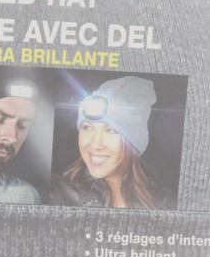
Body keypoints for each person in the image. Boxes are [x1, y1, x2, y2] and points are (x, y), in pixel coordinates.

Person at [50, 76, 161, 208]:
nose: (95, 144)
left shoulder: (165, 202)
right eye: (87, 127)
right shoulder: (58, 192)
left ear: (133, 141)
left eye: (111, 130)